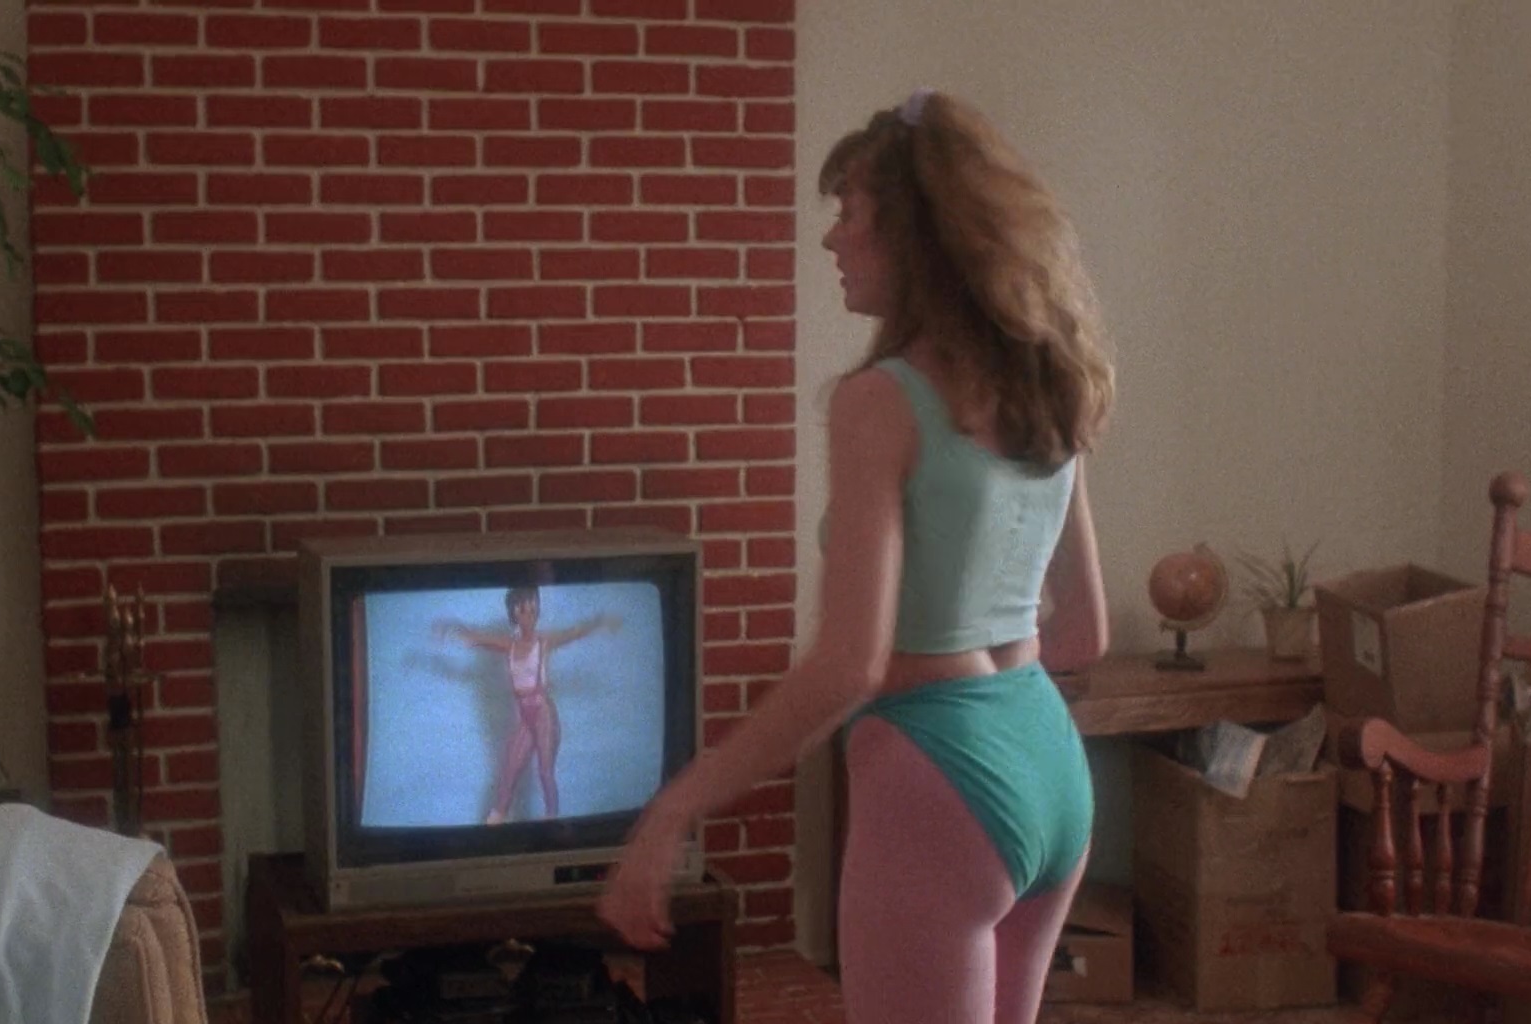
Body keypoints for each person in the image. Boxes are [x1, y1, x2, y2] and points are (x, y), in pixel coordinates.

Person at [596, 87, 1114, 1024]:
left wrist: (674, 810)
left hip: (939, 781)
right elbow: (1083, 632)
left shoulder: (880, 401)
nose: (833, 239)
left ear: (910, 236)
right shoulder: (1049, 381)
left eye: (850, 213)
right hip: (1048, 763)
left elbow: (849, 667)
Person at [438, 587, 620, 824]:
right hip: (525, 716)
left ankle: (552, 820)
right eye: (523, 611)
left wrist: (600, 622)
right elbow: (478, 639)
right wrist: (451, 627)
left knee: (545, 771)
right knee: (509, 771)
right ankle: (496, 817)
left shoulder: (543, 641)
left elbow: (573, 633)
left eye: (533, 610)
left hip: (543, 712)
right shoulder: (509, 645)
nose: (529, 616)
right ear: (515, 614)